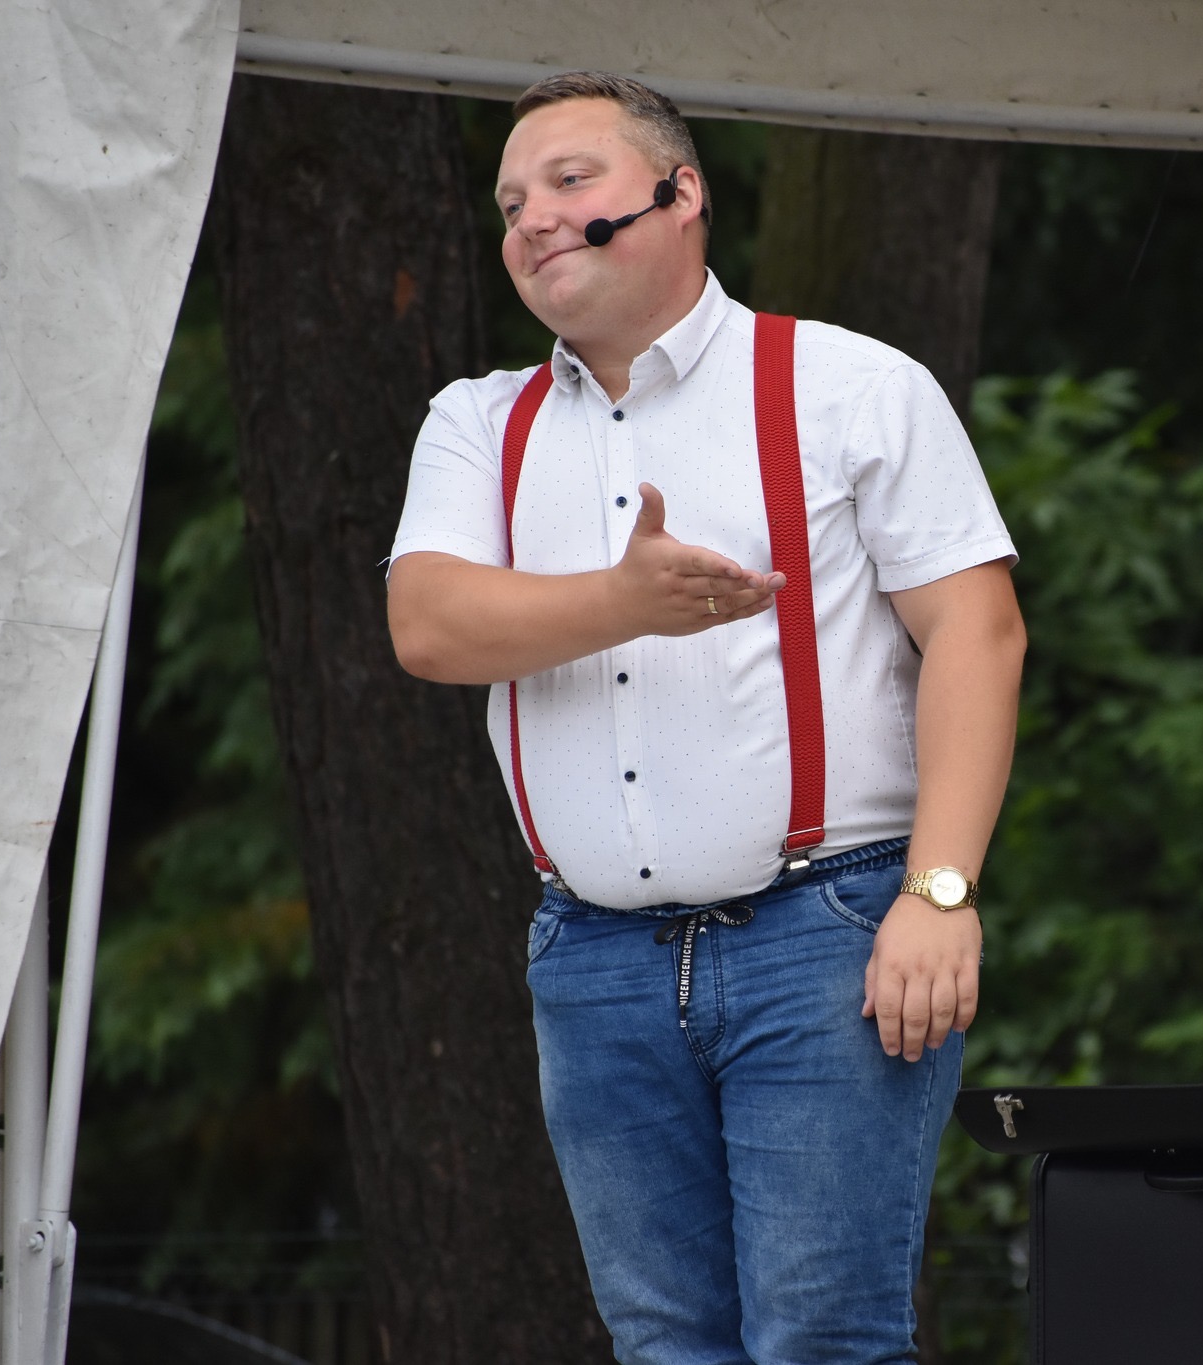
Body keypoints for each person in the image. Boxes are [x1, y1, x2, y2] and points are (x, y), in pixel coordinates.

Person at [385, 71, 1025, 1364]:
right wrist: (621, 602)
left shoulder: (849, 385)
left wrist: (941, 892)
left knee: (823, 1341)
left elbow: (979, 633)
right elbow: (430, 627)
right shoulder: (477, 422)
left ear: (683, 194)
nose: (532, 218)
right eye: (509, 203)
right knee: (665, 1347)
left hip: (829, 933)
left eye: (570, 182)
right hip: (591, 954)